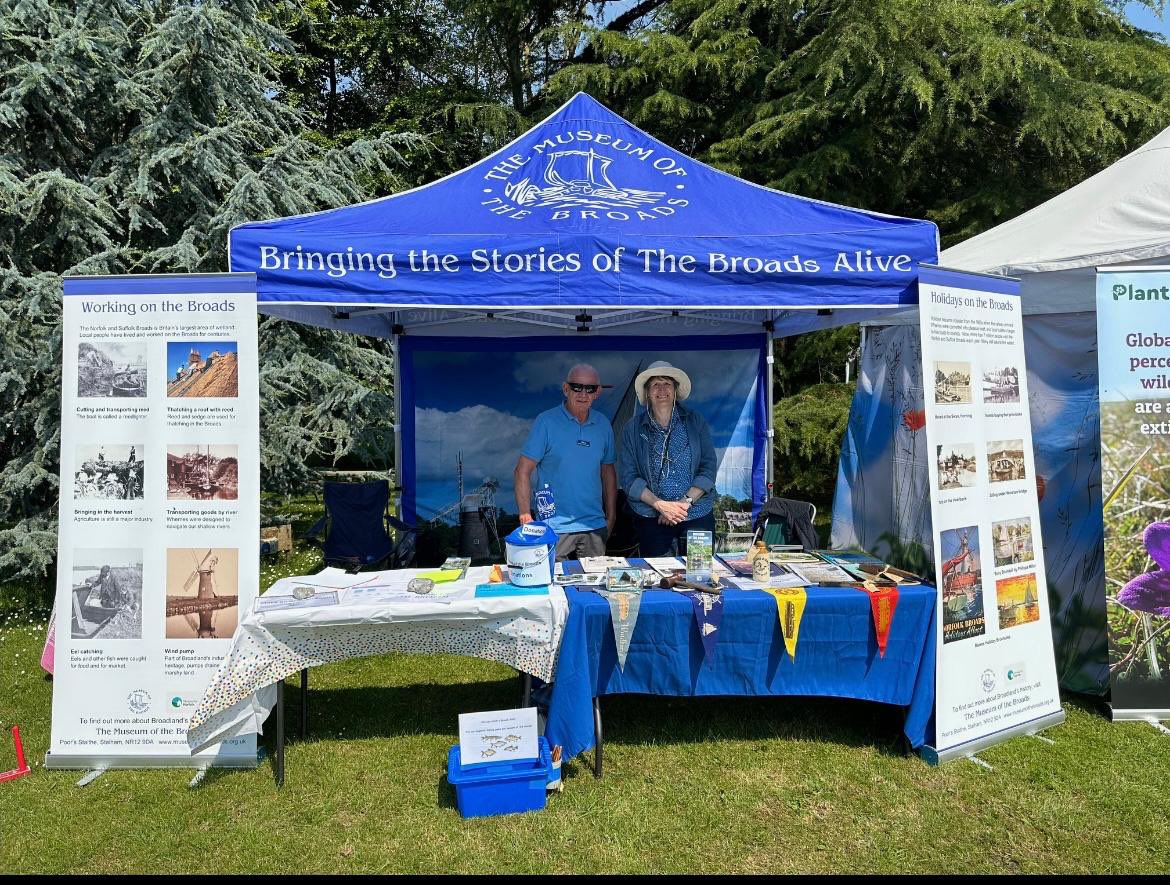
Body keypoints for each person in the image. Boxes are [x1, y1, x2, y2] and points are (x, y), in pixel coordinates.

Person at [514, 364, 617, 559]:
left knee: (593, 587)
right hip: (553, 526)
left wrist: (611, 517)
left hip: (594, 526)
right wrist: (525, 514)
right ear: (565, 388)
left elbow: (608, 472)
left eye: (590, 388)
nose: (583, 394)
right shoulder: (546, 422)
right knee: (551, 584)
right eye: (577, 387)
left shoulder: (603, 424)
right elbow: (522, 471)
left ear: (598, 392)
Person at [619, 360, 717, 557]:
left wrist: (683, 504)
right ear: (647, 392)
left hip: (697, 514)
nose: (662, 389)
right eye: (655, 384)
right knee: (659, 580)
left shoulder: (694, 420)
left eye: (667, 384)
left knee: (700, 574)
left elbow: (708, 467)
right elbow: (629, 478)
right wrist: (661, 506)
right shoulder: (632, 428)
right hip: (653, 517)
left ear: (675, 390)